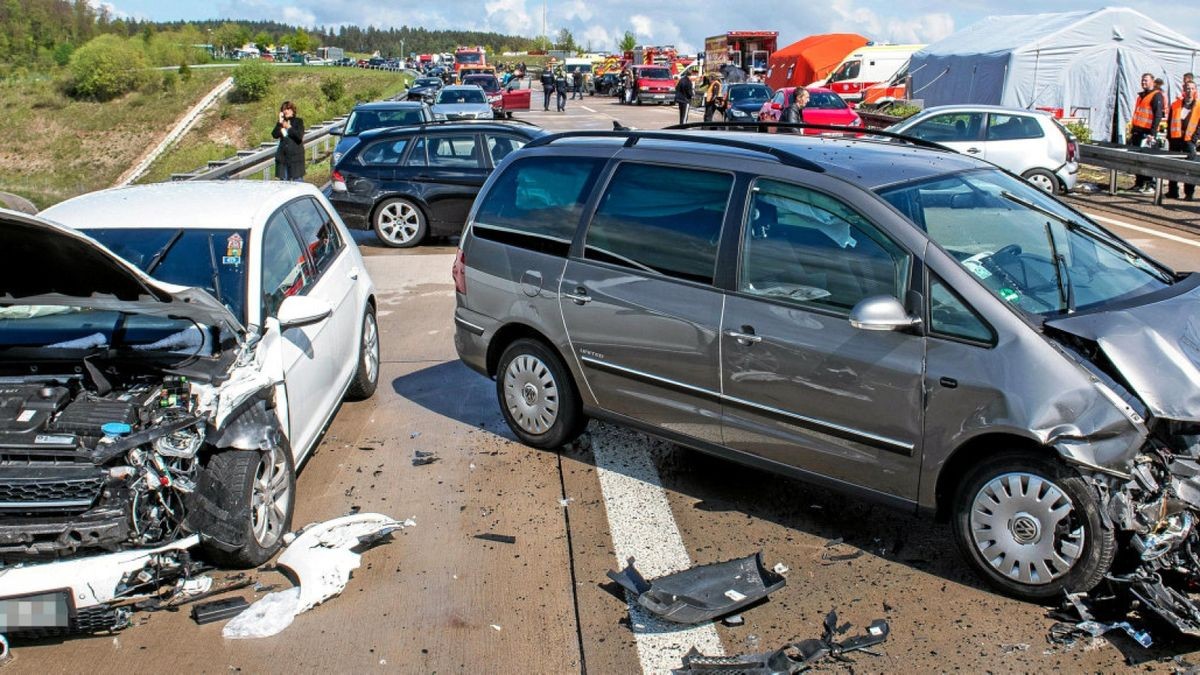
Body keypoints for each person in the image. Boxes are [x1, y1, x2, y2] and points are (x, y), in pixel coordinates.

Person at [1130, 72, 1166, 193]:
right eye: (1142, 80)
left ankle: (1151, 184)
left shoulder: (1156, 96)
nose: (1143, 82)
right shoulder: (1141, 96)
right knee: (1137, 159)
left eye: (1146, 80)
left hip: (1147, 133)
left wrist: (1153, 133)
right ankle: (1139, 183)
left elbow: (1157, 115)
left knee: (1148, 159)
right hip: (1137, 131)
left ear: (1152, 81)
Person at [1166, 80, 1200, 200]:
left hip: (1189, 140)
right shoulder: (1176, 104)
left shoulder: (1198, 106)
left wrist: (1195, 138)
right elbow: (1170, 122)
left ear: (1195, 90)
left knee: (1189, 167)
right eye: (1187, 88)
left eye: (1192, 88)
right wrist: (1169, 137)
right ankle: (1172, 191)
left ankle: (1189, 193)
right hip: (1175, 139)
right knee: (1173, 166)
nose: (1189, 91)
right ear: (1183, 90)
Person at [272, 101, 305, 181]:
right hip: (283, 158)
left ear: (292, 110)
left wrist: (289, 127)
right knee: (284, 186)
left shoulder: (298, 121)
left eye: (288, 109)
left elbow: (299, 136)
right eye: (284, 109)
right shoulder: (281, 123)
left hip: (296, 159)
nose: (285, 111)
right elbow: (274, 134)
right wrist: (280, 122)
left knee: (298, 184)